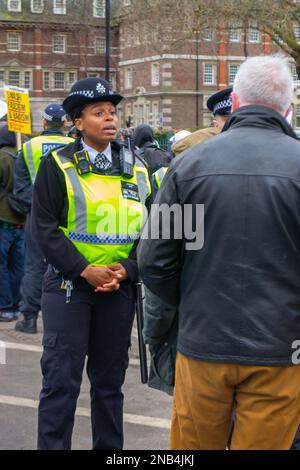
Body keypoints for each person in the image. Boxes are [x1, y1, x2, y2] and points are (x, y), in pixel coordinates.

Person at [138, 56, 300, 450]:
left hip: (203, 342)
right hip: (281, 348)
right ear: (289, 108)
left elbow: (154, 259)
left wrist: (193, 299)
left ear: (237, 103)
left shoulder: (189, 165)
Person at [31, 77, 152, 449]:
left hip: (117, 291)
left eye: (113, 112)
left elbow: (157, 230)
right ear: (78, 123)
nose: (110, 118)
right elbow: (44, 229)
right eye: (98, 113)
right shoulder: (57, 165)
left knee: (109, 386)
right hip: (69, 288)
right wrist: (83, 269)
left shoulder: (139, 168)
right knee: (60, 384)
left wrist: (128, 270)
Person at [9, 105, 73, 334]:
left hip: (37, 215)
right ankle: (69, 314)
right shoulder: (75, 146)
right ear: (65, 123)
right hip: (71, 216)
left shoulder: (28, 148)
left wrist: (37, 207)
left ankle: (28, 318)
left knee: (34, 266)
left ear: (44, 123)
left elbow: (20, 188)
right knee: (70, 264)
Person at [0, 125, 25, 321]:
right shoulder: (23, 155)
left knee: (2, 265)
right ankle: (16, 305)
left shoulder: (2, 157)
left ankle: (6, 307)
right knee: (18, 266)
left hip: (3, 218)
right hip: (22, 218)